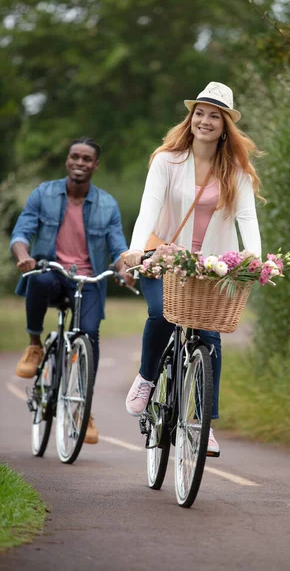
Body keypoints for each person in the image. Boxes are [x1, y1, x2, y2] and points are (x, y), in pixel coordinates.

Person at [122, 81, 263, 456]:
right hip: (163, 255)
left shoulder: (236, 170)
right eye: (199, 113)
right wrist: (137, 249)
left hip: (211, 265)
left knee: (210, 337)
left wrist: (254, 258)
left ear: (225, 125)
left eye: (214, 116)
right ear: (191, 118)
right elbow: (149, 207)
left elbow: (247, 217)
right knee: (161, 313)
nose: (205, 120)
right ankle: (147, 378)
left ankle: (203, 424)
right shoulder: (167, 160)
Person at [10, 136, 134, 444]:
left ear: (95, 165)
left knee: (89, 339)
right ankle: (35, 345)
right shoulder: (45, 193)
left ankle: (83, 409)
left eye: (86, 159)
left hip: (88, 280)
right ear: (68, 160)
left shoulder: (107, 204)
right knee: (37, 278)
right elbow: (21, 232)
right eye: (74, 157)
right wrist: (24, 257)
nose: (79, 163)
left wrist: (124, 270)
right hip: (53, 273)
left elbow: (118, 247)